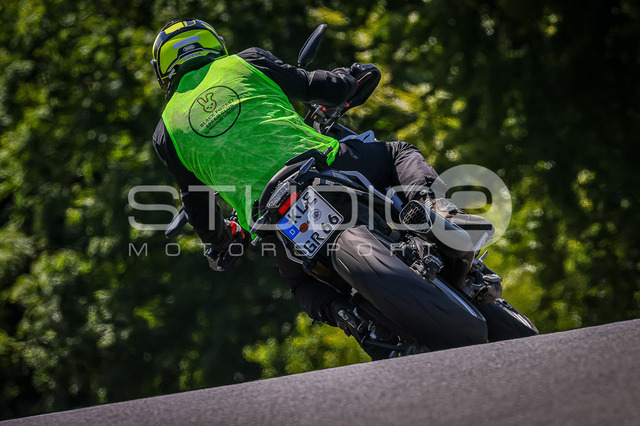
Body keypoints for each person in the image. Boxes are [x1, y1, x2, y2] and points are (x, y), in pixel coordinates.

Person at [150, 18, 536, 353]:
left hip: (268, 214)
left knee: (301, 285)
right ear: (214, 44)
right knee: (398, 152)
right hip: (321, 166)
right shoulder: (244, 61)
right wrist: (349, 78)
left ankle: (352, 319)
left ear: (163, 70)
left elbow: (195, 201)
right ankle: (436, 208)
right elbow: (314, 84)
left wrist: (220, 241)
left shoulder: (165, 132)